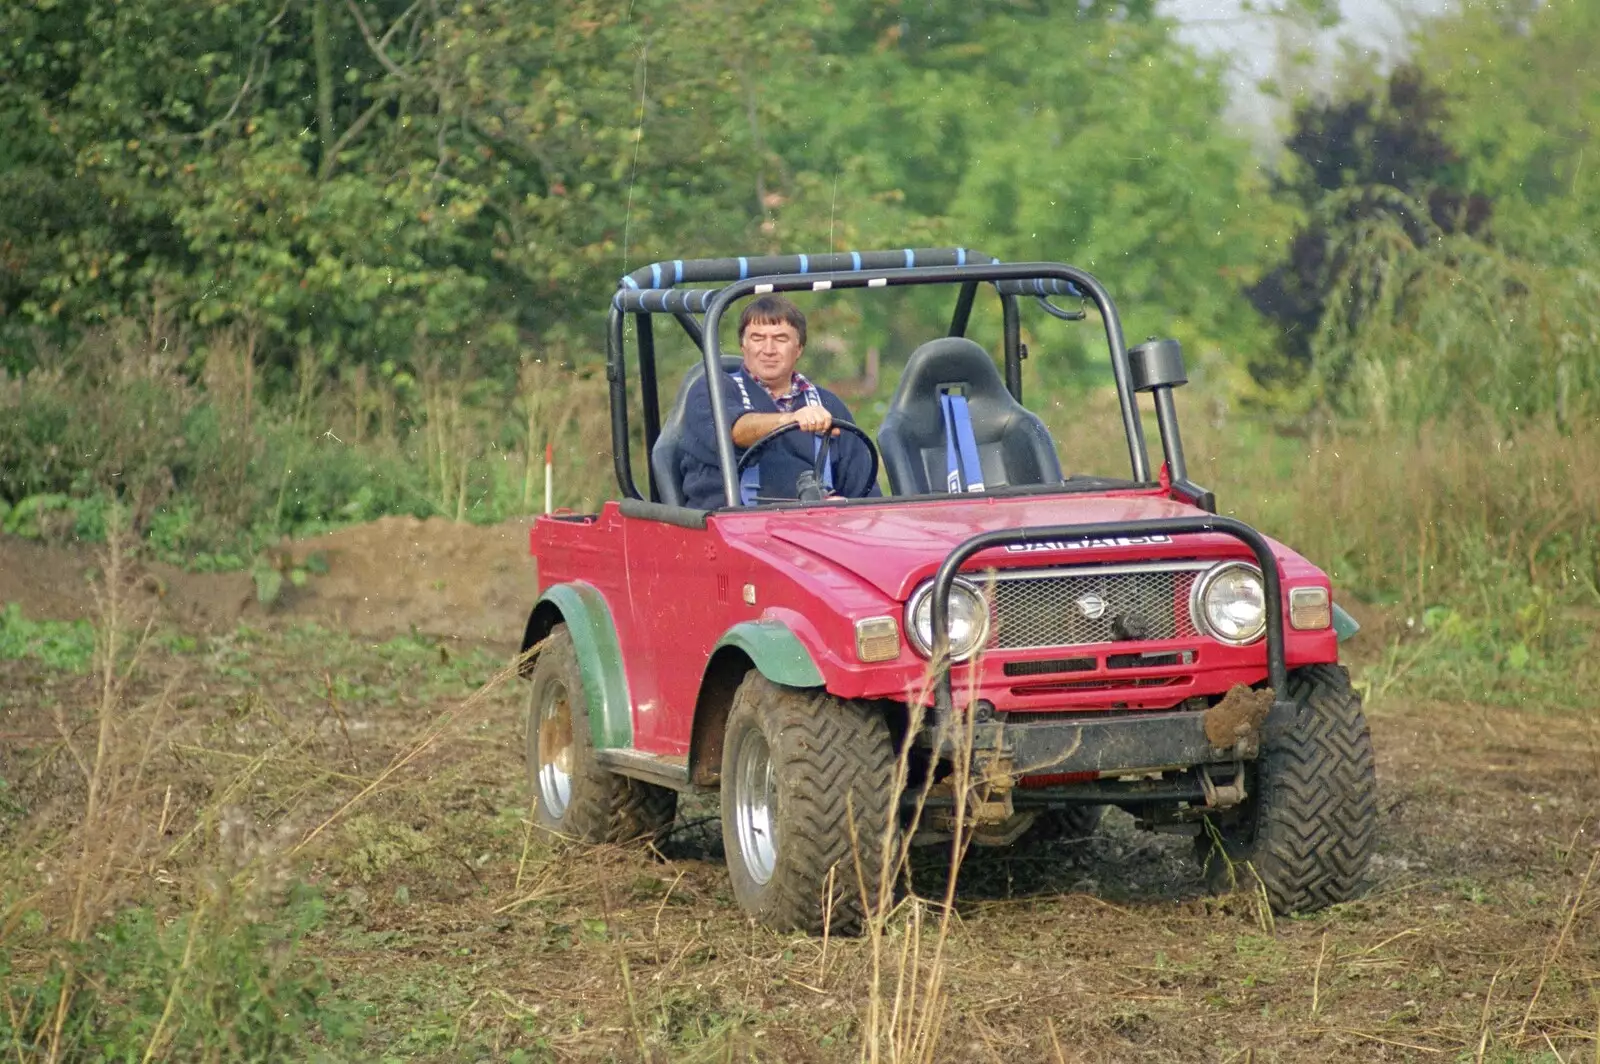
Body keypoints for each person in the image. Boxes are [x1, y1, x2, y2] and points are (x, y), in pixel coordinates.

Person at [677, 294, 880, 509]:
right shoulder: (712, 390)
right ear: (743, 345)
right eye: (757, 338)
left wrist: (849, 507)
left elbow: (866, 491)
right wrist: (790, 419)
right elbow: (734, 432)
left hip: (816, 528)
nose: (768, 350)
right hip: (730, 529)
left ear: (799, 348)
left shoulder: (827, 405)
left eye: (780, 339)